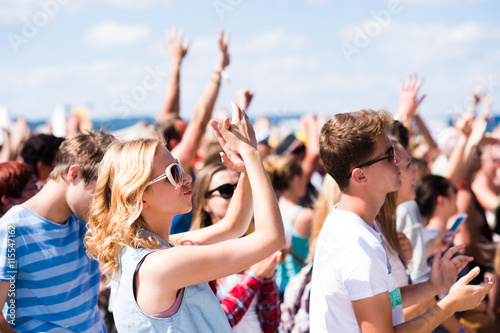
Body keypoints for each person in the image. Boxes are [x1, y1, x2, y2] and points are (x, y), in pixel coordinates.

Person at [85, 102, 285, 332]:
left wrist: (247, 168)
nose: (188, 178)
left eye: (179, 167)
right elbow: (272, 238)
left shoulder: (152, 250)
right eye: (173, 174)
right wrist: (252, 154)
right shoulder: (161, 265)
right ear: (138, 197)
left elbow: (233, 226)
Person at [310, 109, 494, 332]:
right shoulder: (357, 246)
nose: (398, 162)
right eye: (389, 156)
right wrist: (450, 304)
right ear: (360, 176)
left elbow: (385, 299)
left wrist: (432, 286)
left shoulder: (351, 222)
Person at [0, 130, 116, 332]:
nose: (107, 202)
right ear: (75, 174)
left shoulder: (86, 221)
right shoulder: (12, 229)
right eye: (103, 191)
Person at [190, 162, 281, 332]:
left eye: (239, 189)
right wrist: (253, 278)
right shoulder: (195, 252)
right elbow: (215, 322)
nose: (237, 196)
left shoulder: (254, 242)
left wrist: (266, 279)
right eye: (226, 191)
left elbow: (271, 323)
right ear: (205, 203)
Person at [264, 155, 314, 295]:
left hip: (278, 288)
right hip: (300, 289)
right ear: (295, 179)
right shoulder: (304, 216)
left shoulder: (271, 213)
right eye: (303, 176)